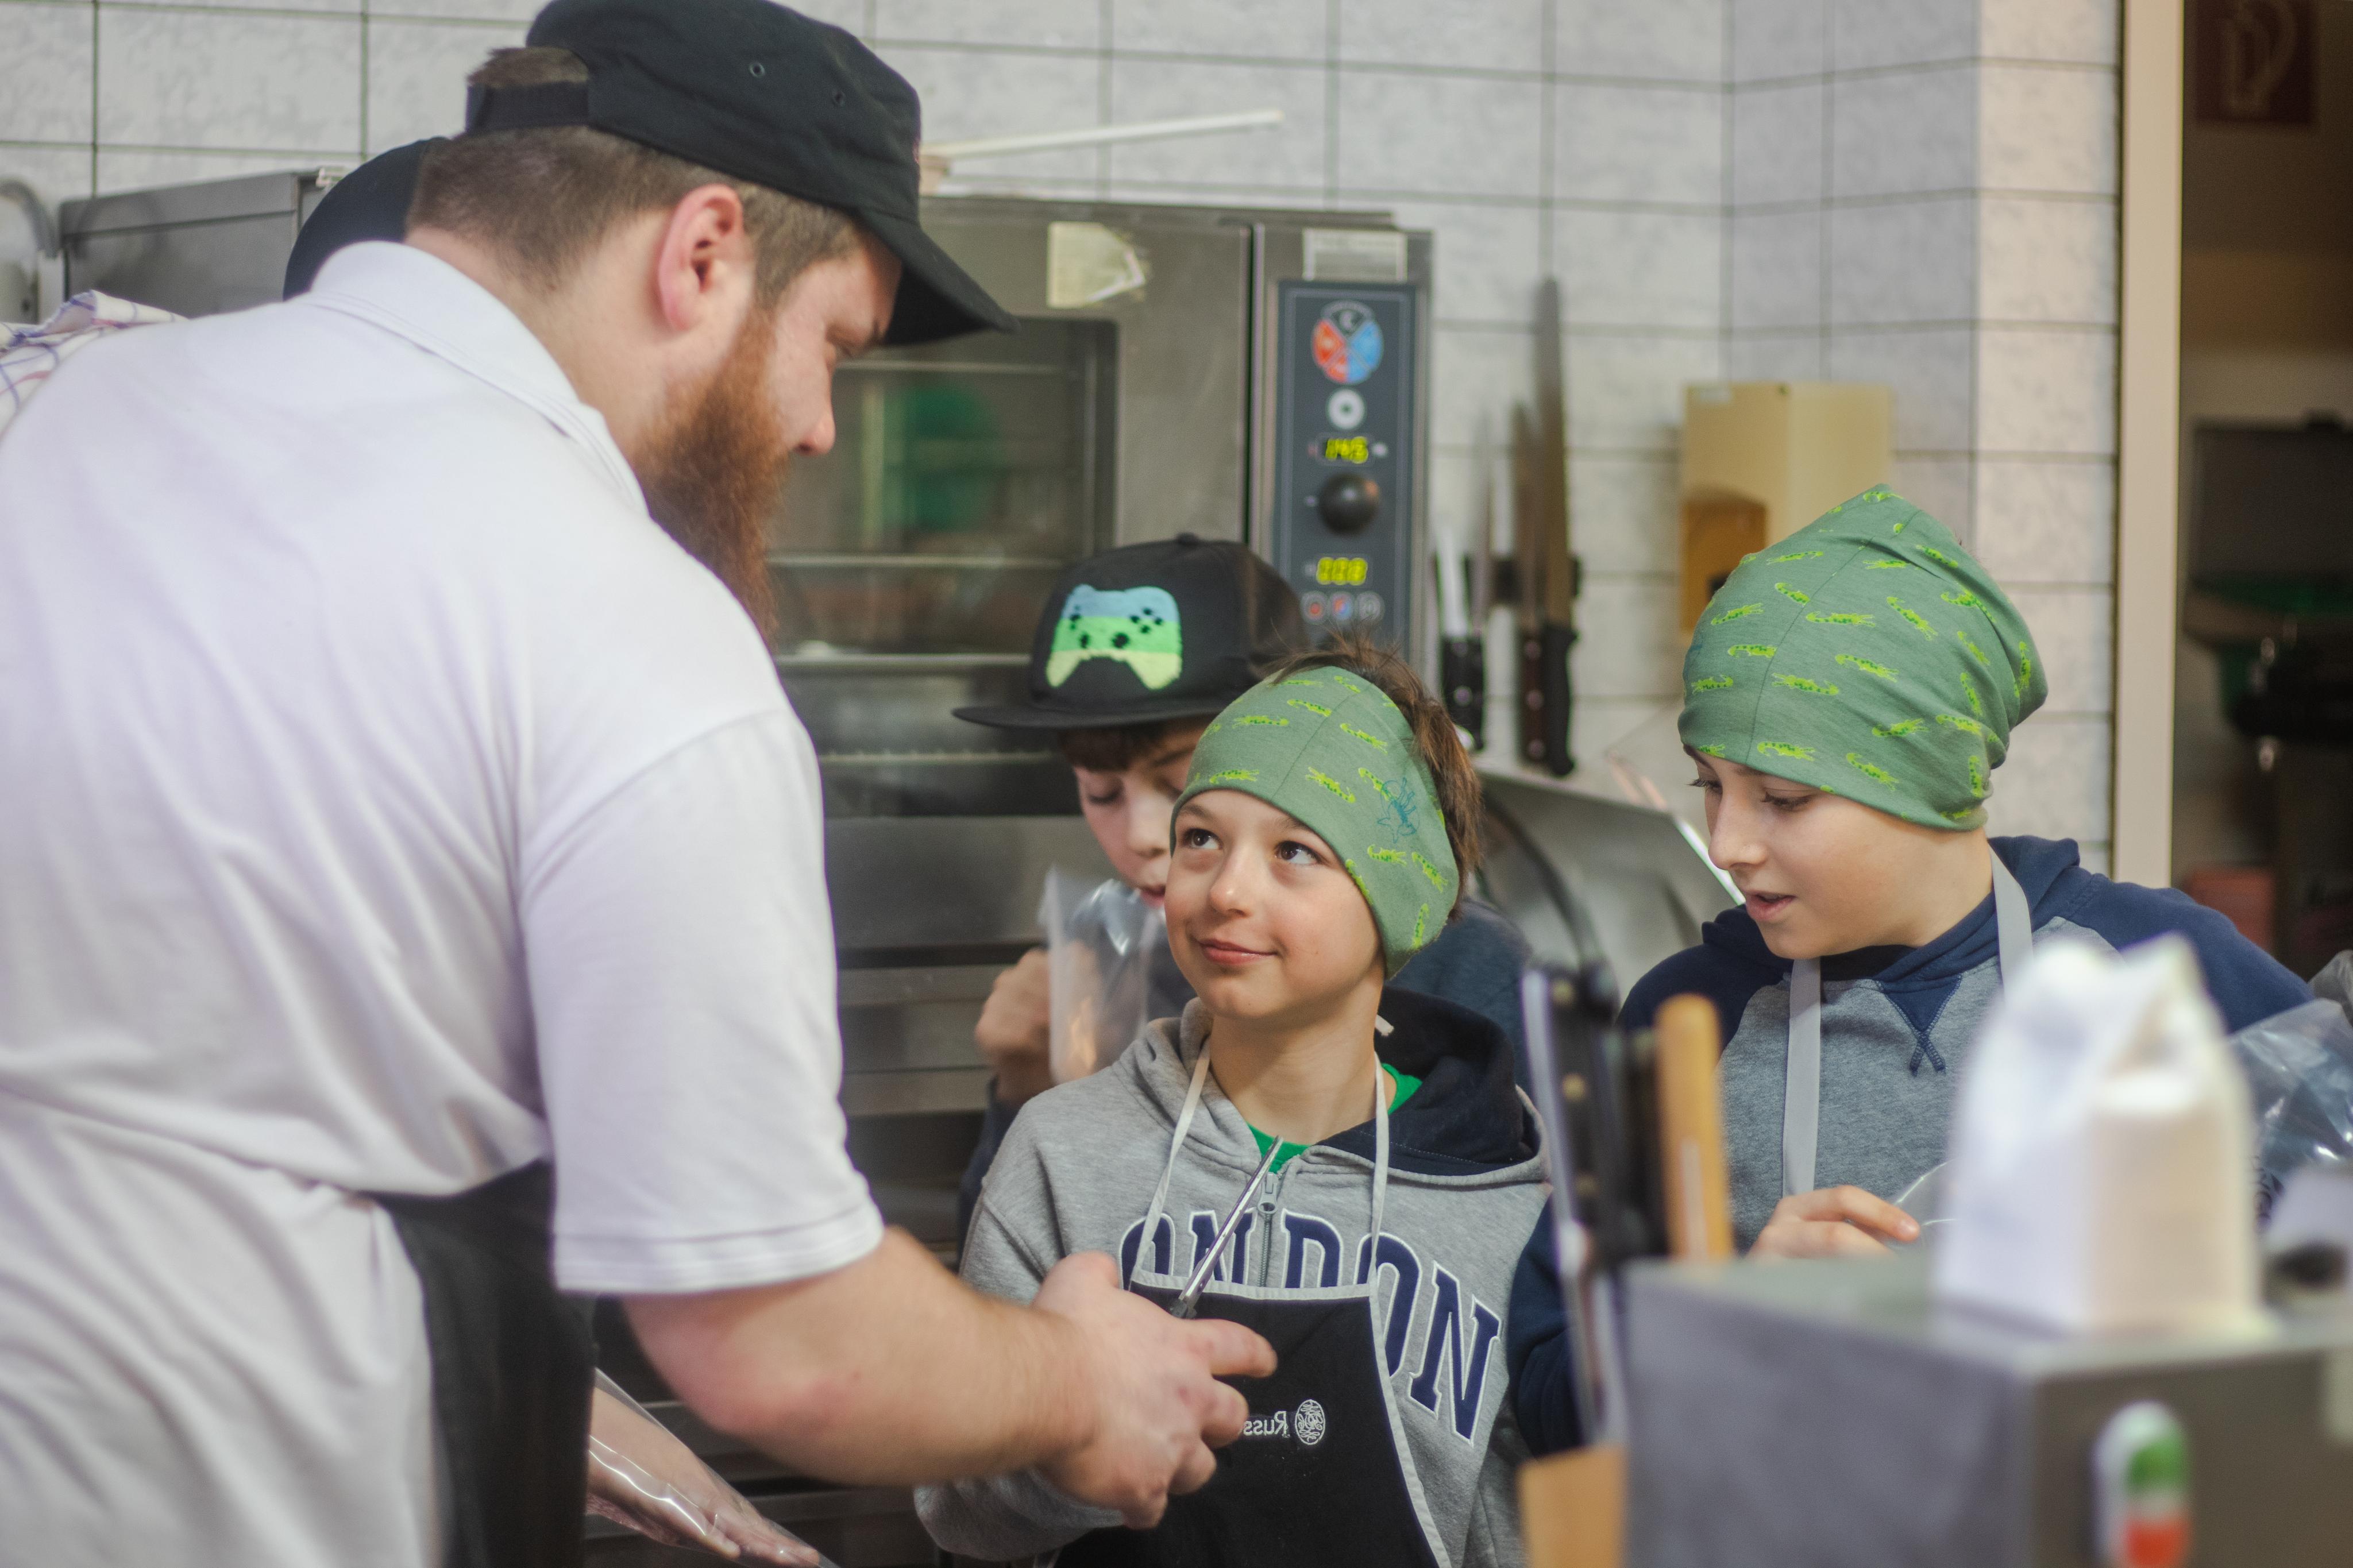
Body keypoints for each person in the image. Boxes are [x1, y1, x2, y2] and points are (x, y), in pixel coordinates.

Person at [0, 4, 1274, 1564]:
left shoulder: (70, 417)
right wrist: (1081, 1380)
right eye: (832, 347)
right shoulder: (628, 628)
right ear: (703, 253)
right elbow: (782, 1340)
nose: (819, 427)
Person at [1505, 486, 2311, 1455]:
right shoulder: (1688, 1019)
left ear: (1930, 782)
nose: (1727, 844)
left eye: (1783, 798)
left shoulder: (2157, 972)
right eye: (1710, 786)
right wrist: (1739, 1317)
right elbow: (1548, 1395)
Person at [920, 638, 1546, 1568]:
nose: (1226, 890)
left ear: (1401, 899)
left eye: (1295, 851)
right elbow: (961, 1511)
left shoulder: (1506, 1198)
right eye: (1202, 838)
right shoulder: (1063, 1152)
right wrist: (1065, 1451)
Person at [952, 536, 1534, 1237]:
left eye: (1178, 783)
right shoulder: (1113, 946)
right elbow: (1011, 1247)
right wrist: (1025, 1088)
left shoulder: (1471, 970)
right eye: (1101, 793)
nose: (1145, 836)